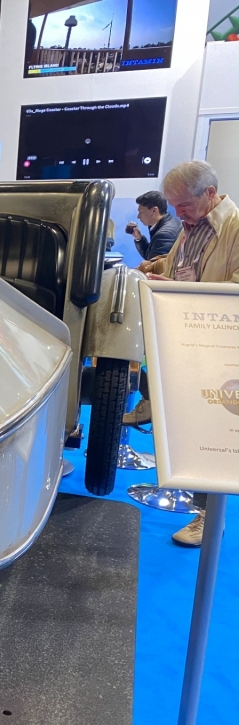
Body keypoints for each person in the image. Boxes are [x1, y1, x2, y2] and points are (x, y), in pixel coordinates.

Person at [141, 161, 239, 548]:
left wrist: (188, 293)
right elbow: (181, 266)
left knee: (214, 432)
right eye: (173, 205)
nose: (177, 212)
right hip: (189, 341)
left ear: (209, 194)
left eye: (182, 204)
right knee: (190, 425)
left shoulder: (235, 227)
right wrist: (156, 269)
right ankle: (200, 502)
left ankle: (210, 518)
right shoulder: (191, 226)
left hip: (222, 348)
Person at [129, 191, 182, 264]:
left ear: (154, 210)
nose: (138, 216)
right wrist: (139, 238)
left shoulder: (165, 234)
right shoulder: (171, 222)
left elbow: (153, 267)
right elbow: (150, 255)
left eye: (141, 212)